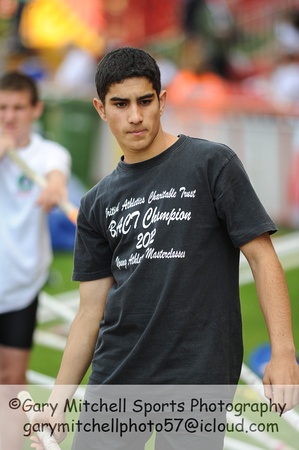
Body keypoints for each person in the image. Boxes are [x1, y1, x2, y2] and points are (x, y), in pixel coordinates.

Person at [30, 47, 299, 450]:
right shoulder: (95, 203)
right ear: (100, 110)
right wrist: (57, 402)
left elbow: (263, 259)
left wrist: (283, 352)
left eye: (145, 101)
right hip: (118, 371)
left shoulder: (212, 163)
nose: (135, 116)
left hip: (199, 372)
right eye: (120, 104)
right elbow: (89, 310)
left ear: (163, 100)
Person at [0, 71, 71, 448]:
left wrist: (55, 187)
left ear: (35, 110)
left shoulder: (48, 153)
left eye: (17, 108)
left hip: (21, 287)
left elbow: (56, 177)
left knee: (11, 379)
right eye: (2, 108)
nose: (9, 116)